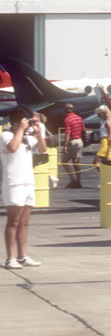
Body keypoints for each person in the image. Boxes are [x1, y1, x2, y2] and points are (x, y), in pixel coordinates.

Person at [3, 108, 47, 269]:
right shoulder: (6, 135)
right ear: (16, 122)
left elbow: (42, 149)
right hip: (13, 183)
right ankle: (10, 257)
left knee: (24, 221)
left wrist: (39, 132)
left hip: (28, 182)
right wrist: (21, 129)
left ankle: (22, 256)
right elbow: (12, 148)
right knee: (13, 221)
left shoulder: (28, 138)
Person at [61, 107, 86, 188]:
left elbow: (68, 133)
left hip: (73, 142)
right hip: (79, 141)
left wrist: (65, 145)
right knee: (76, 163)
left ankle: (73, 179)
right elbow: (83, 129)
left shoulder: (67, 120)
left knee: (64, 162)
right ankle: (78, 181)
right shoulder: (79, 118)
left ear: (65, 111)